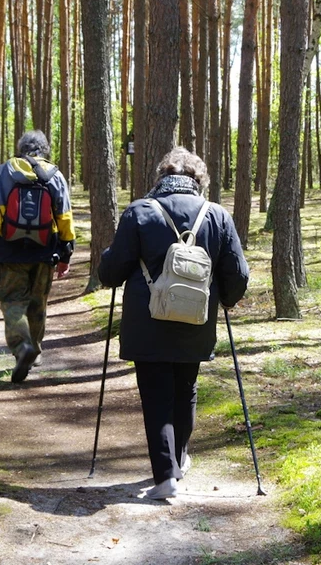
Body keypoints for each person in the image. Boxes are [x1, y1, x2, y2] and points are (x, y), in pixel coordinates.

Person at [98, 147, 249, 500]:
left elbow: (112, 271)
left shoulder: (140, 211)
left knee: (156, 395)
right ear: (199, 181)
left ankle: (166, 475)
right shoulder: (216, 215)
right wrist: (225, 300)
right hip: (196, 320)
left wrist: (108, 264)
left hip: (146, 320)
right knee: (186, 389)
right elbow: (238, 273)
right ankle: (178, 459)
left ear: (162, 178)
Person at [0, 130, 75, 383]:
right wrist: (66, 253)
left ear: (21, 148)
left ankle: (23, 348)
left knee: (13, 302)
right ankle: (34, 349)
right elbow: (65, 218)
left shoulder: (3, 172)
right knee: (38, 302)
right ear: (45, 150)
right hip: (45, 251)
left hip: (9, 251)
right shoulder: (55, 175)